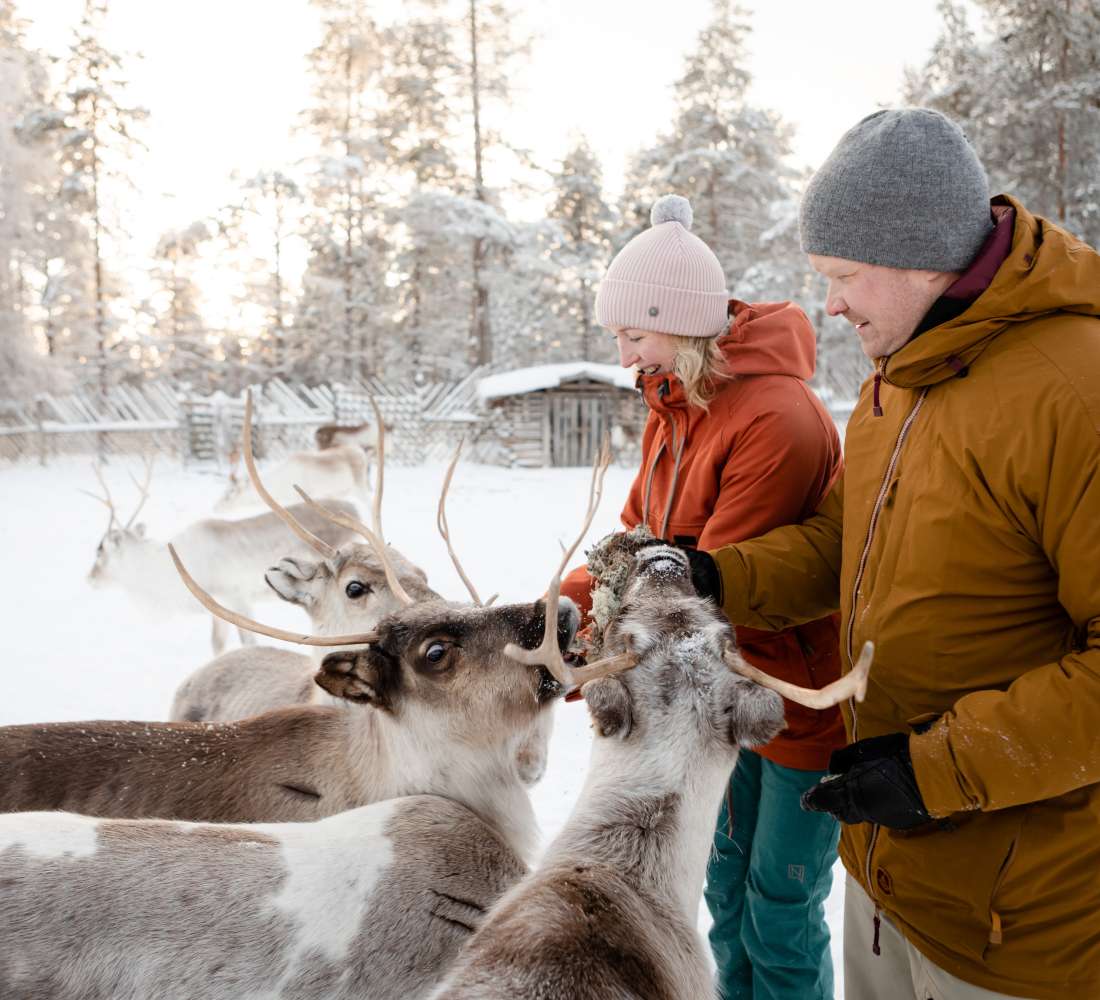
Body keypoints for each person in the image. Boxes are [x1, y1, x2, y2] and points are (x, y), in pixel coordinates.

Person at [684, 108, 1100, 1000]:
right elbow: (843, 544)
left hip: (1020, 921)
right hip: (888, 875)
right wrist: (715, 576)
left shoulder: (1076, 390)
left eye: (843, 275)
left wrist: (932, 773)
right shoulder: (899, 381)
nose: (828, 303)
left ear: (920, 255)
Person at [561, 194, 846, 1000]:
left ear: (679, 322)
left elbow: (701, 585)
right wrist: (555, 611)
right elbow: (637, 539)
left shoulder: (776, 418)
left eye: (633, 334)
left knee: (780, 911)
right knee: (721, 895)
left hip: (787, 700)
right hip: (706, 701)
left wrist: (611, 625)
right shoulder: (673, 406)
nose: (623, 356)